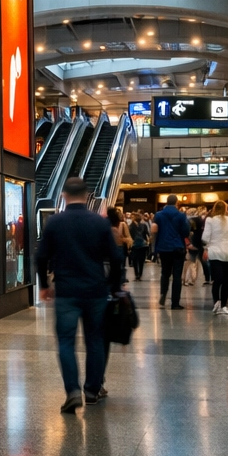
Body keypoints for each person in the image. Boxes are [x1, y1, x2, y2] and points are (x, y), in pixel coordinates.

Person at [36, 177, 123, 413]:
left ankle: (72, 392)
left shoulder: (55, 222)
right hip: (95, 291)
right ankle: (92, 391)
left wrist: (44, 285)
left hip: (66, 291)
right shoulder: (99, 222)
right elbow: (116, 258)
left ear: (64, 195)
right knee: (95, 340)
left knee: (66, 341)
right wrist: (114, 286)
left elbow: (41, 256)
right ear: (86, 196)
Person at [149, 196, 191, 309]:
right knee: (177, 276)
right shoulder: (181, 215)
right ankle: (175, 303)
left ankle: (163, 293)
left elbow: (154, 230)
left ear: (166, 202)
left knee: (165, 273)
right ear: (176, 203)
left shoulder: (158, 215)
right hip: (178, 248)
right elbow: (186, 231)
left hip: (164, 247)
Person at [202, 201, 228, 316]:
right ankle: (224, 305)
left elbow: (205, 237)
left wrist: (205, 248)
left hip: (215, 252)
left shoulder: (210, 220)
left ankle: (216, 302)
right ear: (225, 208)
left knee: (217, 280)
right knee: (225, 281)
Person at [128, 211, 150, 281]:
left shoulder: (131, 226)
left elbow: (129, 235)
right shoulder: (144, 225)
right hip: (142, 245)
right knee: (141, 261)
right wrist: (147, 241)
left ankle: (136, 274)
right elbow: (147, 234)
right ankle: (140, 274)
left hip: (134, 245)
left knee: (135, 261)